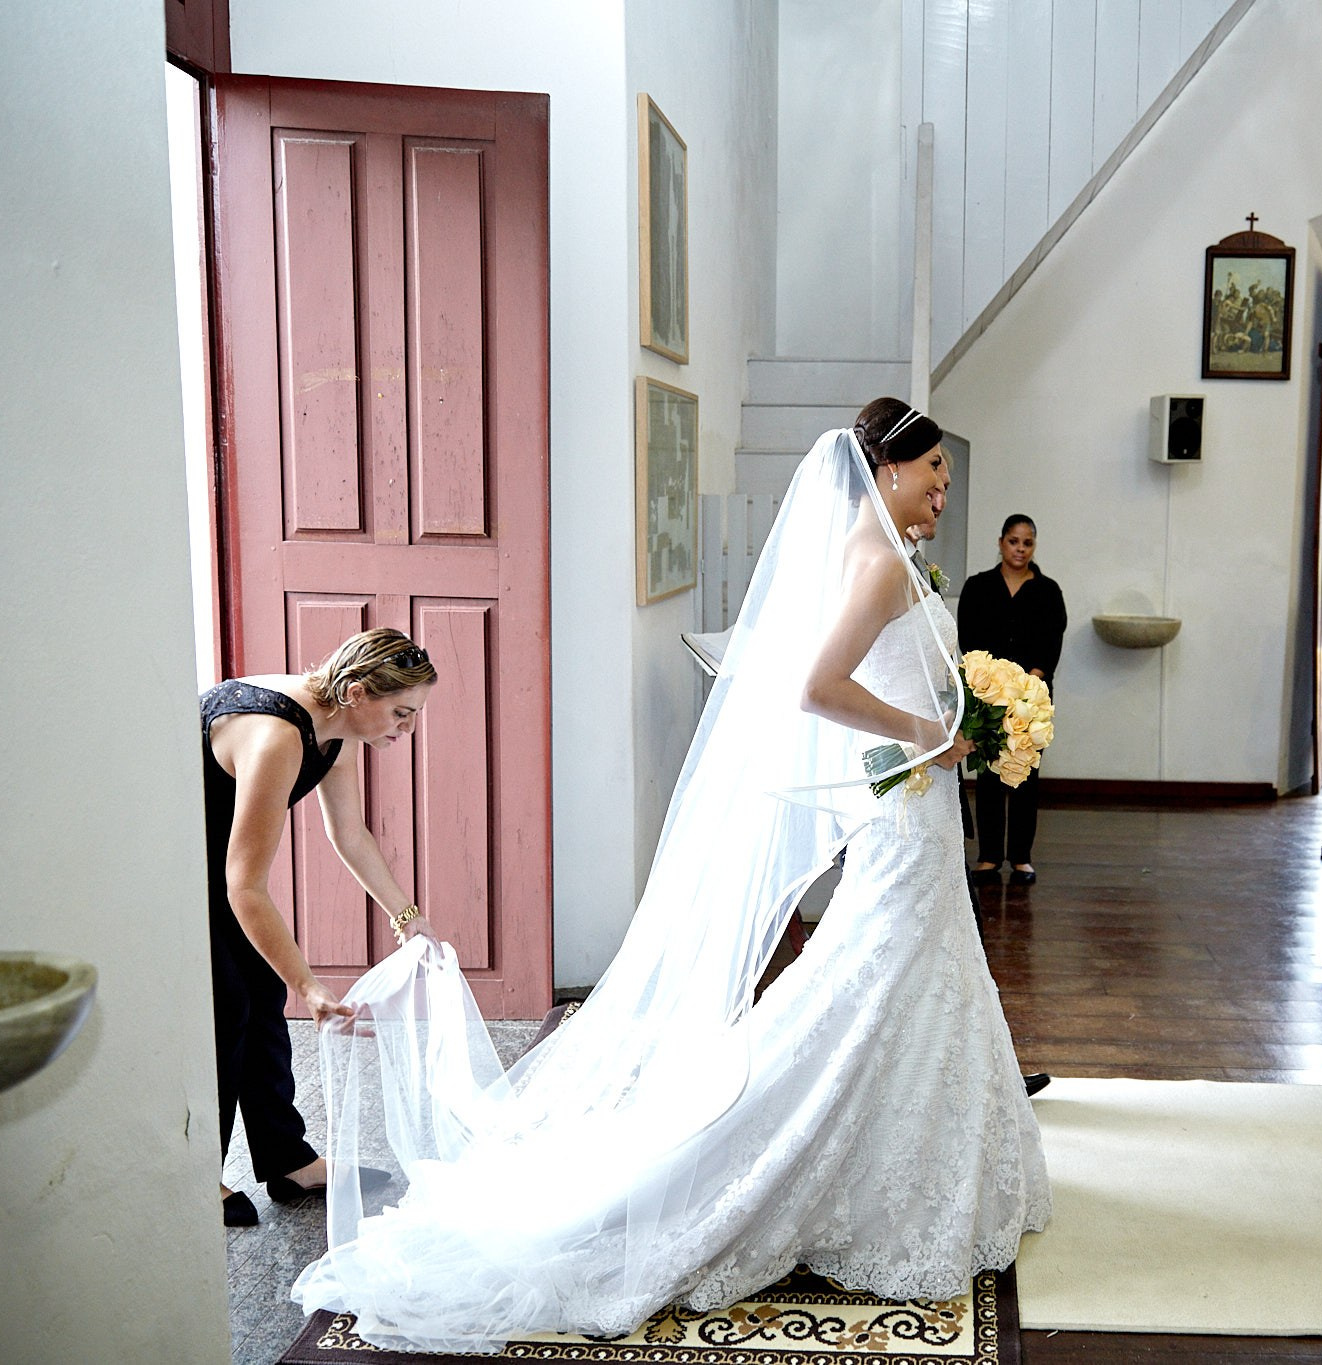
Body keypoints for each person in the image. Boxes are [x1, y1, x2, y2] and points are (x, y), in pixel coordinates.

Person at [291, 399, 1050, 1352]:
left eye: (945, 472)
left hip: (916, 807)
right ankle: (772, 1152)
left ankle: (924, 1150)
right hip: (909, 804)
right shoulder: (875, 562)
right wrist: (932, 733)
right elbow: (819, 686)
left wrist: (961, 711)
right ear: (886, 470)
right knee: (869, 981)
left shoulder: (888, 556)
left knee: (908, 977)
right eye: (933, 470)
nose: (944, 487)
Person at [202, 629, 437, 1228]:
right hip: (174, 864)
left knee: (259, 995)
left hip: (221, 862)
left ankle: (287, 1160)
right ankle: (194, 1177)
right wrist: (311, 987)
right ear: (358, 692)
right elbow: (244, 887)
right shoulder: (279, 735)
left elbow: (349, 834)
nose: (407, 729)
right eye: (401, 713)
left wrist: (407, 917)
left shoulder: (338, 725)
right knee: (228, 1005)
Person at [958, 515, 1067, 886]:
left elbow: (1053, 639)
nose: (1020, 549)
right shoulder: (979, 586)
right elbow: (968, 636)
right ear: (1001, 542)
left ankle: (1021, 857)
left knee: (1024, 774)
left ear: (1034, 546)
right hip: (989, 695)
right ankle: (989, 856)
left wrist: (1028, 682)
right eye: (1014, 541)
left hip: (1030, 697)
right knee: (988, 773)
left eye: (1028, 543)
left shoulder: (1048, 591)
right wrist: (993, 683)